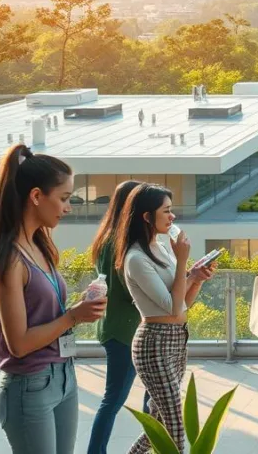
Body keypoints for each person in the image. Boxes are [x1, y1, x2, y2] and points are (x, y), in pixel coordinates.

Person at [0, 145, 106, 454]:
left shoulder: (40, 246)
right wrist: (73, 316)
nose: (68, 207)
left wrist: (79, 308)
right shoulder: (9, 259)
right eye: (64, 198)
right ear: (35, 196)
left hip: (63, 376)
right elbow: (17, 343)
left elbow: (46, 312)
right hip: (29, 386)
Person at [118, 184, 215, 454]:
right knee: (174, 427)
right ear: (147, 217)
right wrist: (183, 260)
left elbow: (183, 306)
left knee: (160, 422)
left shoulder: (160, 247)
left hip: (177, 340)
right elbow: (171, 309)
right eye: (167, 211)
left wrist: (195, 278)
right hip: (155, 344)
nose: (172, 217)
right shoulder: (136, 258)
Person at [88, 180, 151, 454]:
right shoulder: (122, 242)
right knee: (114, 399)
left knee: (146, 397)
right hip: (127, 331)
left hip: (115, 328)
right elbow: (130, 290)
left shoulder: (107, 237)